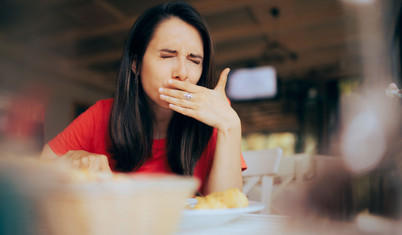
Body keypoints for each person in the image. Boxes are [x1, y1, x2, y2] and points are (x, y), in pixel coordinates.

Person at [40, 1, 246, 195]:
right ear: (136, 64)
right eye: (167, 56)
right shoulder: (102, 115)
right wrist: (72, 160)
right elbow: (38, 171)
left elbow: (226, 204)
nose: (182, 73)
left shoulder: (216, 116)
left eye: (194, 60)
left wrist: (230, 126)